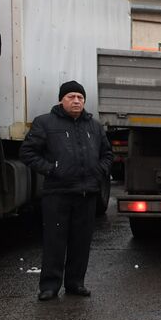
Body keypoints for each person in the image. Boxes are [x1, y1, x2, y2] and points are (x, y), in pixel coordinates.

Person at [20, 80, 112, 301]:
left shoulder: (94, 126)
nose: (76, 101)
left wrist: (97, 172)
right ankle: (50, 286)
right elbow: (28, 152)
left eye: (80, 97)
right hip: (57, 193)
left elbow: (107, 154)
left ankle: (75, 283)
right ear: (61, 99)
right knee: (55, 241)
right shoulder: (45, 123)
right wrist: (52, 170)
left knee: (81, 242)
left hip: (86, 193)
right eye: (71, 97)